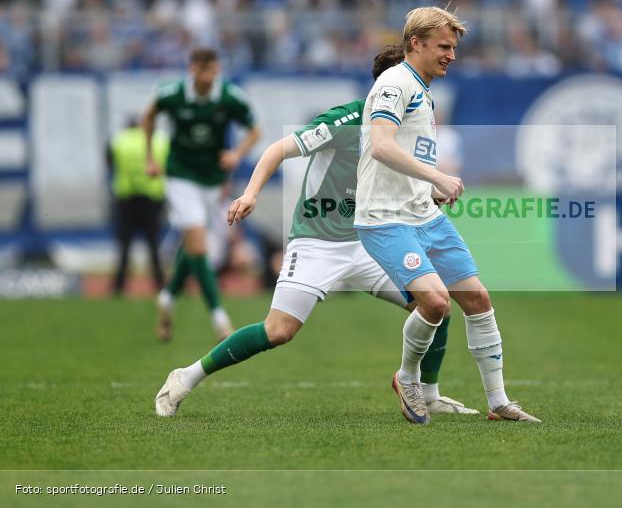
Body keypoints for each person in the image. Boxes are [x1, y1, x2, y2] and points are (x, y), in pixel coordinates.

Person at [154, 45, 478, 418]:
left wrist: (431, 194)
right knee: (278, 331)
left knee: (436, 304)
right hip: (318, 242)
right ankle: (185, 377)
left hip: (370, 240)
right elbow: (277, 149)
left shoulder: (414, 125)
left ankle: (428, 393)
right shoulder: (348, 121)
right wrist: (250, 193)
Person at [355, 6, 540, 423]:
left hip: (422, 214)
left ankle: (498, 402)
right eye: (443, 46)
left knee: (477, 299)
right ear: (415, 44)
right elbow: (382, 146)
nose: (451, 55)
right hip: (386, 218)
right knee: (436, 303)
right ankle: (408, 378)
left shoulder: (421, 86)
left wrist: (429, 187)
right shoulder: (394, 83)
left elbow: (404, 152)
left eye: (454, 47)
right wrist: (438, 175)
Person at [143, 48, 261, 341]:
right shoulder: (171, 93)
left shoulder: (229, 97)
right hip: (180, 177)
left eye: (214, 72)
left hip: (212, 181)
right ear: (193, 69)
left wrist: (237, 154)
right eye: (206, 72)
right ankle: (220, 319)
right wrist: (150, 157)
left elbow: (255, 131)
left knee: (192, 245)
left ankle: (167, 298)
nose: (211, 78)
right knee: (199, 247)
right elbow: (148, 118)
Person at [108, 118, 169, 295]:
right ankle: (159, 283)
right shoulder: (160, 140)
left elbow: (109, 161)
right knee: (153, 244)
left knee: (125, 245)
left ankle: (119, 284)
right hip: (152, 198)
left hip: (127, 198)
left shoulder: (120, 140)